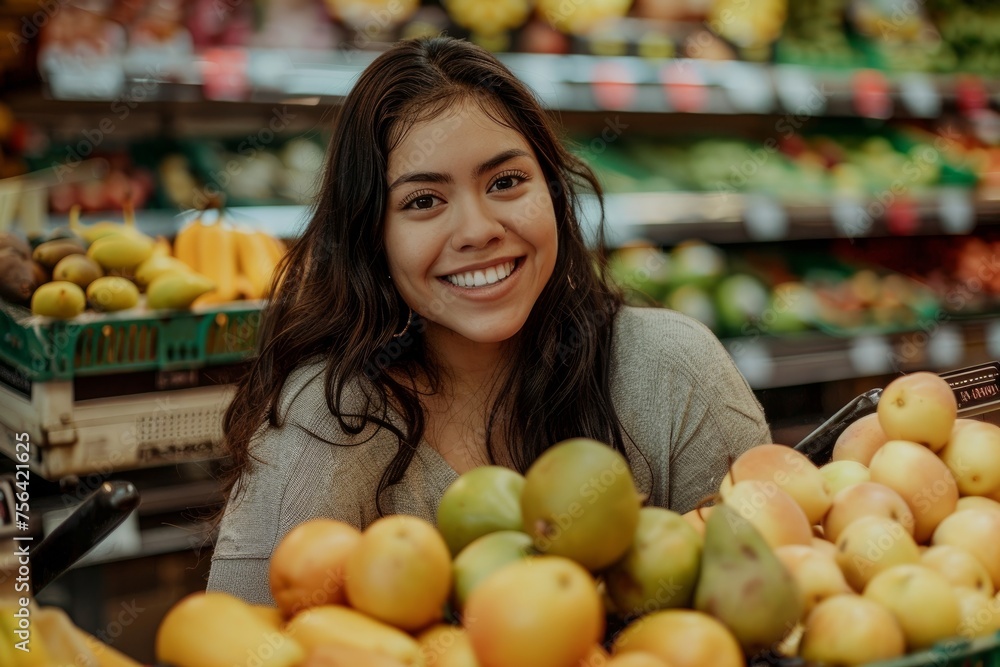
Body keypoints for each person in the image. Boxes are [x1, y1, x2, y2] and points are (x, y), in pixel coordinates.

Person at [207, 36, 771, 606]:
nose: (478, 230)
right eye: (423, 201)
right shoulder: (325, 421)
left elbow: (761, 596)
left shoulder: (673, 371)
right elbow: (242, 637)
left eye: (505, 182)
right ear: (369, 236)